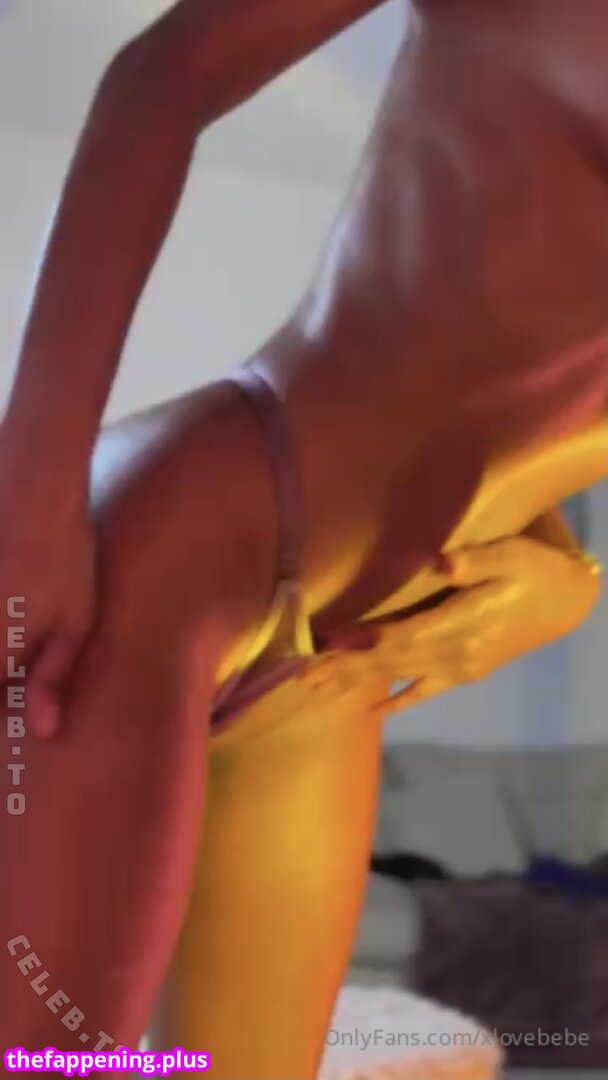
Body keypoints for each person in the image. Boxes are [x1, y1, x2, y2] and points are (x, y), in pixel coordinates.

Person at [1, 0, 606, 1075]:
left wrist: (570, 572)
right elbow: (166, 72)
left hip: (335, 673)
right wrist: (29, 499)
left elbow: (528, 376)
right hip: (178, 552)